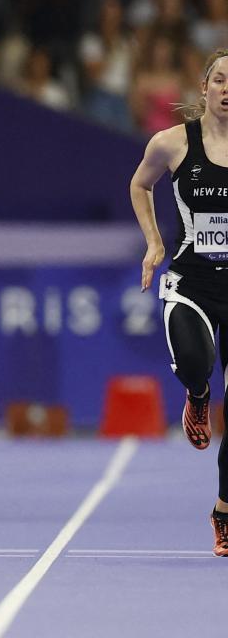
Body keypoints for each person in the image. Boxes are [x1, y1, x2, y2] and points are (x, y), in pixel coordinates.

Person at [131, 48, 228, 556]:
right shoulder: (171, 144)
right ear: (204, 87)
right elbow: (140, 185)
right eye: (220, 80)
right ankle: (196, 396)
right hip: (190, 282)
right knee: (197, 362)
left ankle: (225, 510)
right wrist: (153, 242)